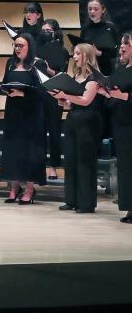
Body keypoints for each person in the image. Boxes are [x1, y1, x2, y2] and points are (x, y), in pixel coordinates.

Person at [50, 43, 102, 213]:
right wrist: (63, 100)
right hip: (72, 120)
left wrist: (66, 95)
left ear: (87, 55)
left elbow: (86, 100)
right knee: (71, 161)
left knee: (85, 162)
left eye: (78, 54)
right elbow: (73, 102)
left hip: (88, 122)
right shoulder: (75, 76)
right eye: (74, 54)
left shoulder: (94, 78)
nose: (75, 57)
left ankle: (86, 203)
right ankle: (71, 200)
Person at [0, 33, 47, 204]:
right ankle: (14, 187)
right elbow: (5, 82)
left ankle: (29, 189)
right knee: (13, 149)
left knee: (30, 151)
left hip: (32, 113)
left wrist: (23, 93)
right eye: (16, 45)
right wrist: (2, 89)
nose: (17, 49)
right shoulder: (10, 63)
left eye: (21, 46)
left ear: (29, 47)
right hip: (13, 111)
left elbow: (43, 91)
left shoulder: (37, 64)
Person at [98, 34, 132, 223]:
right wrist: (107, 92)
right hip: (121, 124)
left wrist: (123, 96)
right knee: (125, 168)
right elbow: (115, 95)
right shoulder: (120, 69)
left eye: (126, 44)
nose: (121, 48)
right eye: (121, 44)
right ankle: (129, 208)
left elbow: (125, 95)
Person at [37, 19, 70, 179]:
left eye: (48, 30)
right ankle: (39, 163)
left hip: (55, 93)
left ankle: (53, 166)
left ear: (55, 32)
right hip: (39, 93)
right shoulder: (37, 48)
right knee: (39, 131)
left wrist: (46, 67)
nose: (45, 33)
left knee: (55, 131)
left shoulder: (62, 51)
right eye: (43, 30)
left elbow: (60, 74)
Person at [81, 0, 118, 76]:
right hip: (88, 69)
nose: (92, 12)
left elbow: (115, 52)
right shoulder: (86, 28)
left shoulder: (110, 27)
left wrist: (99, 53)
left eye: (95, 9)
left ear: (103, 10)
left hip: (105, 69)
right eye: (90, 9)